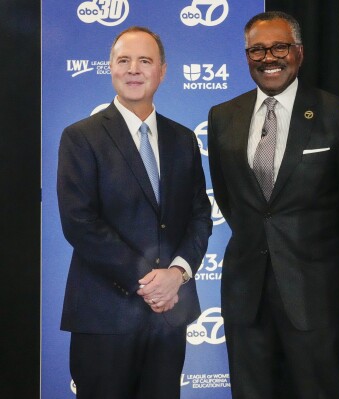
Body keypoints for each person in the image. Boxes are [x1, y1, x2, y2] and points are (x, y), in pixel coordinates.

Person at [207, 11, 339, 399]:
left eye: (279, 47)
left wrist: (319, 263)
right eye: (257, 50)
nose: (268, 57)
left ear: (298, 51)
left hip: (314, 294)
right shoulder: (222, 117)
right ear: (247, 56)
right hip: (246, 296)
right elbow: (230, 200)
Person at [57, 26, 213, 399]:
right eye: (123, 60)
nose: (133, 69)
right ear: (110, 68)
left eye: (145, 60)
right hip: (104, 318)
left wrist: (176, 274)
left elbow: (199, 215)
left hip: (168, 318)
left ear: (162, 70)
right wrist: (150, 281)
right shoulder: (81, 137)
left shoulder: (183, 139)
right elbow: (80, 223)